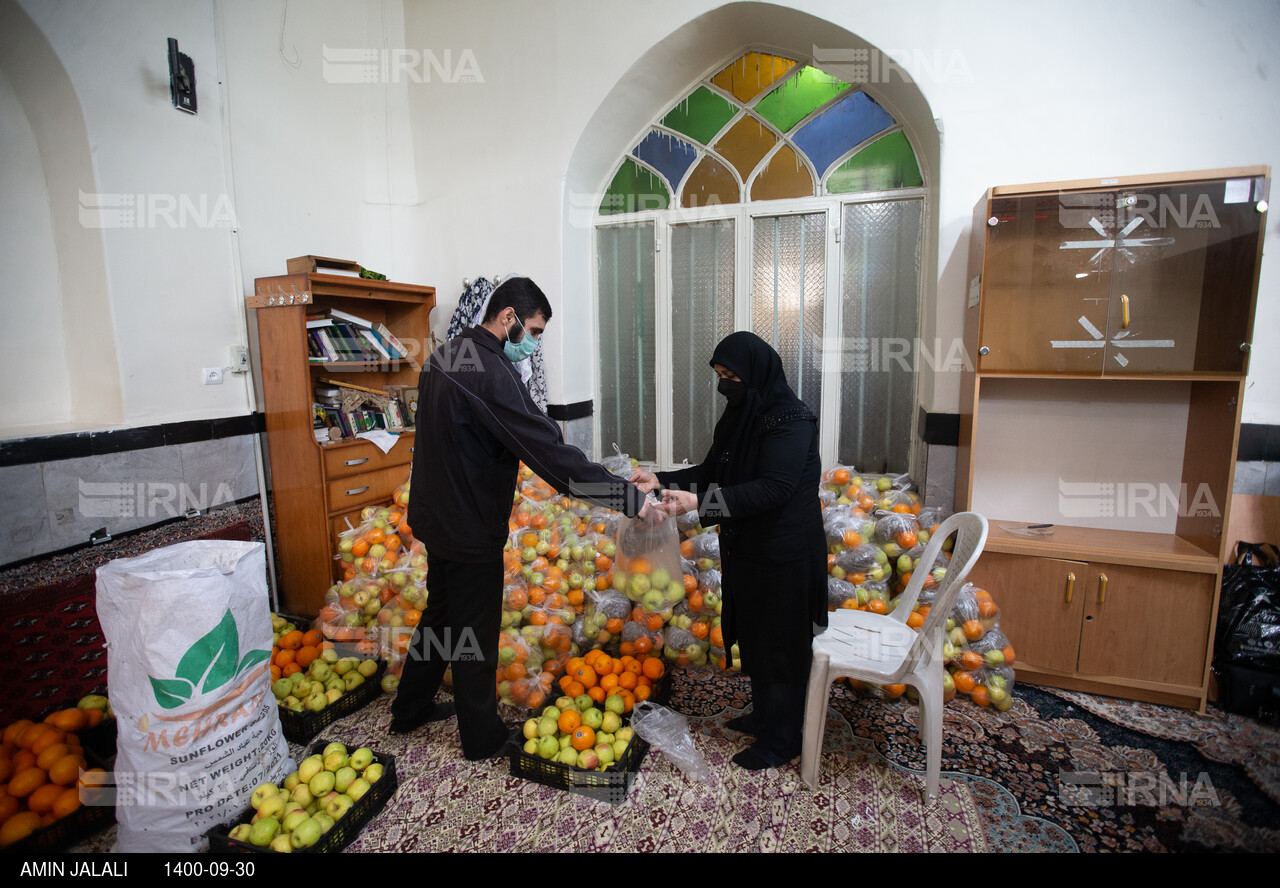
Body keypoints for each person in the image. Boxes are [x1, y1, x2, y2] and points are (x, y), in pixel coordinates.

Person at [392, 276, 656, 760]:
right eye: (533, 330)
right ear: (508, 317)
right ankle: (481, 737)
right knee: (474, 635)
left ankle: (407, 710)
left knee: (440, 617)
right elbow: (549, 453)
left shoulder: (446, 355)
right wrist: (628, 498)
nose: (533, 343)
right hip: (470, 523)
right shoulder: (489, 372)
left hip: (436, 516)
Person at [632, 332, 827, 770]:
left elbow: (773, 488)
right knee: (757, 636)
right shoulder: (739, 415)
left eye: (732, 375)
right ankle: (765, 716)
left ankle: (783, 739)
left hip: (784, 552)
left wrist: (701, 505)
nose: (725, 384)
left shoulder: (791, 419)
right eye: (719, 376)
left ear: (757, 372)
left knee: (781, 645)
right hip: (749, 546)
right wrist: (660, 479)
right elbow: (713, 469)